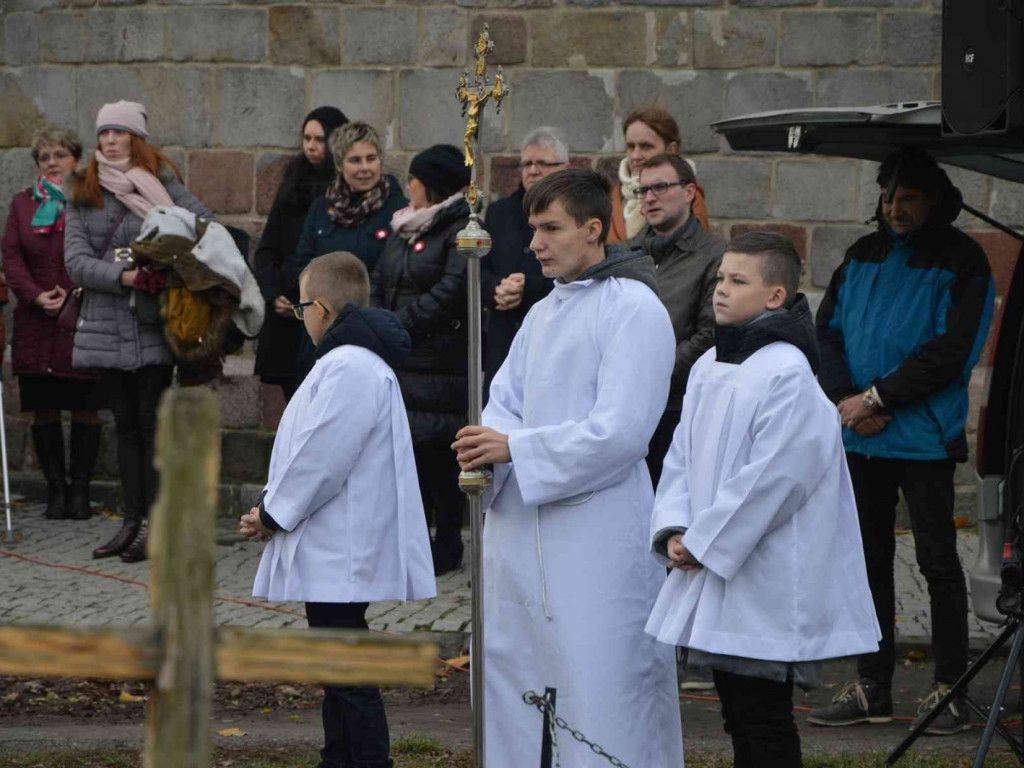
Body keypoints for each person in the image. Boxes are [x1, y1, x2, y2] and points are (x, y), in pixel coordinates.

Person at [452, 169, 683, 767]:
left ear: (594, 229)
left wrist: (515, 449)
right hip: (522, 536)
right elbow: (503, 402)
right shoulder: (543, 313)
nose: (535, 244)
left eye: (550, 229)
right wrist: (484, 446)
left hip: (596, 540)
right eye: (533, 229)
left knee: (601, 687)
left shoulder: (635, 310)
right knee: (516, 683)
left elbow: (622, 431)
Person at [646, 232, 880, 768]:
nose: (721, 290)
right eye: (720, 278)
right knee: (737, 713)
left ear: (775, 296)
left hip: (765, 575)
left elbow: (776, 480)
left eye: (737, 281)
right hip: (711, 560)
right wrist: (676, 528)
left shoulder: (787, 373)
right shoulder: (710, 364)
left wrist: (704, 541)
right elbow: (681, 456)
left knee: (764, 717)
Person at [808, 148, 995, 734]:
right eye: (888, 196)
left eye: (908, 197)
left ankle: (949, 690)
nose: (895, 208)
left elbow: (951, 350)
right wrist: (848, 401)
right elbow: (826, 333)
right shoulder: (861, 254)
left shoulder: (963, 260)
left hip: (923, 440)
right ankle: (873, 686)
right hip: (863, 439)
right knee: (868, 563)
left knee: (938, 564)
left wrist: (877, 398)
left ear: (934, 200)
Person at [242, 251, 435, 768]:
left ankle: (366, 760)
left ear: (322, 308)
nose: (299, 316)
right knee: (338, 667)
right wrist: (270, 505)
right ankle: (340, 758)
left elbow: (323, 455)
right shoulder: (347, 363)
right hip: (336, 541)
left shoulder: (350, 366)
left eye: (301, 306)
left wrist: (272, 514)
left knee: (347, 671)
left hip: (340, 545)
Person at [64, 100, 213, 563]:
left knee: (152, 428)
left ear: (136, 139)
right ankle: (131, 521)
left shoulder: (162, 183)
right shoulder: (84, 189)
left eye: (120, 132)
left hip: (153, 324)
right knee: (125, 427)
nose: (110, 140)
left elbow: (205, 229)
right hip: (106, 328)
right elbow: (75, 261)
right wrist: (126, 273)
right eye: (104, 133)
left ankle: (157, 524)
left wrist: (162, 261)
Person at [372, 144, 471, 576]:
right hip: (402, 358)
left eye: (414, 178)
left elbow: (452, 289)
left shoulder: (461, 227)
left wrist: (401, 323)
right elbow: (380, 276)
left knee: (441, 456)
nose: (408, 185)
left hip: (438, 362)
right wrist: (379, 319)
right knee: (409, 455)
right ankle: (412, 542)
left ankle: (446, 543)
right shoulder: (403, 226)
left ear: (432, 185)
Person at [2, 127, 105, 521]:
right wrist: (34, 295)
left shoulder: (93, 201)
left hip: (82, 316)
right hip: (36, 321)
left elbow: (101, 251)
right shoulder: (22, 205)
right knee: (44, 407)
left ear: (76, 160)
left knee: (85, 406)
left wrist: (72, 293)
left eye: (60, 155)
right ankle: (56, 492)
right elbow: (12, 257)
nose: (52, 163)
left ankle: (80, 492)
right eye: (44, 157)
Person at [628, 153, 724, 487]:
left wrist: (655, 376)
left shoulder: (714, 255)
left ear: (689, 192)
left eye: (660, 187)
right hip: (626, 404)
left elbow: (710, 333)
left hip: (677, 408)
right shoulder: (626, 254)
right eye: (643, 190)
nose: (650, 197)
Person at [288, 121, 408, 387]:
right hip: (321, 331)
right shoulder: (321, 209)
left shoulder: (399, 210)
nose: (365, 167)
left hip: (371, 335)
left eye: (371, 158)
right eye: (355, 160)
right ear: (340, 165)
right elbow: (303, 264)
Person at [254, 106, 348, 401]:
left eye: (319, 139)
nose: (311, 146)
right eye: (307, 138)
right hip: (286, 312)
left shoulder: (342, 191)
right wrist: (273, 293)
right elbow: (268, 247)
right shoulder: (292, 182)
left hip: (322, 310)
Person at [480, 126, 567, 395]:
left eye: (542, 163)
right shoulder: (498, 213)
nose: (532, 170)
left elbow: (582, 272)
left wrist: (528, 288)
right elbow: (479, 271)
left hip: (552, 339)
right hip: (503, 341)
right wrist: (496, 288)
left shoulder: (574, 215)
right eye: (527, 164)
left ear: (564, 167)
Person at [608, 106, 709, 243]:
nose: (635, 156)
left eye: (646, 146)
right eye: (631, 147)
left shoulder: (687, 196)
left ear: (671, 150)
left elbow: (693, 249)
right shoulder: (612, 197)